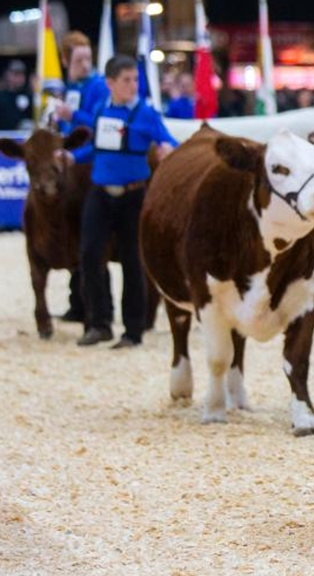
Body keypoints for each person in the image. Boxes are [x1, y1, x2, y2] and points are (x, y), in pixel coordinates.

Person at [67, 55, 177, 348]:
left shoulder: (147, 114)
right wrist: (71, 157)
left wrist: (169, 148)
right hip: (100, 193)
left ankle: (133, 330)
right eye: (126, 80)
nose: (133, 86)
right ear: (110, 83)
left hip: (133, 196)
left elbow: (170, 141)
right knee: (89, 255)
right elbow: (96, 149)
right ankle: (99, 323)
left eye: (135, 80)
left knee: (132, 261)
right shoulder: (102, 109)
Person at [53, 31, 115, 327]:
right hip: (72, 170)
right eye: (79, 59)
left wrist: (73, 113)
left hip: (91, 169)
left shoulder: (98, 87)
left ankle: (100, 307)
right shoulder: (69, 87)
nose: (86, 64)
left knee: (92, 241)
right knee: (74, 235)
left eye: (88, 57)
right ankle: (77, 302)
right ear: (66, 61)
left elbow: (101, 126)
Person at [0, 60, 34, 131]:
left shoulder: (29, 96)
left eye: (22, 74)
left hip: (24, 137)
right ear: (7, 75)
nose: (19, 78)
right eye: (16, 74)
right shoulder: (2, 97)